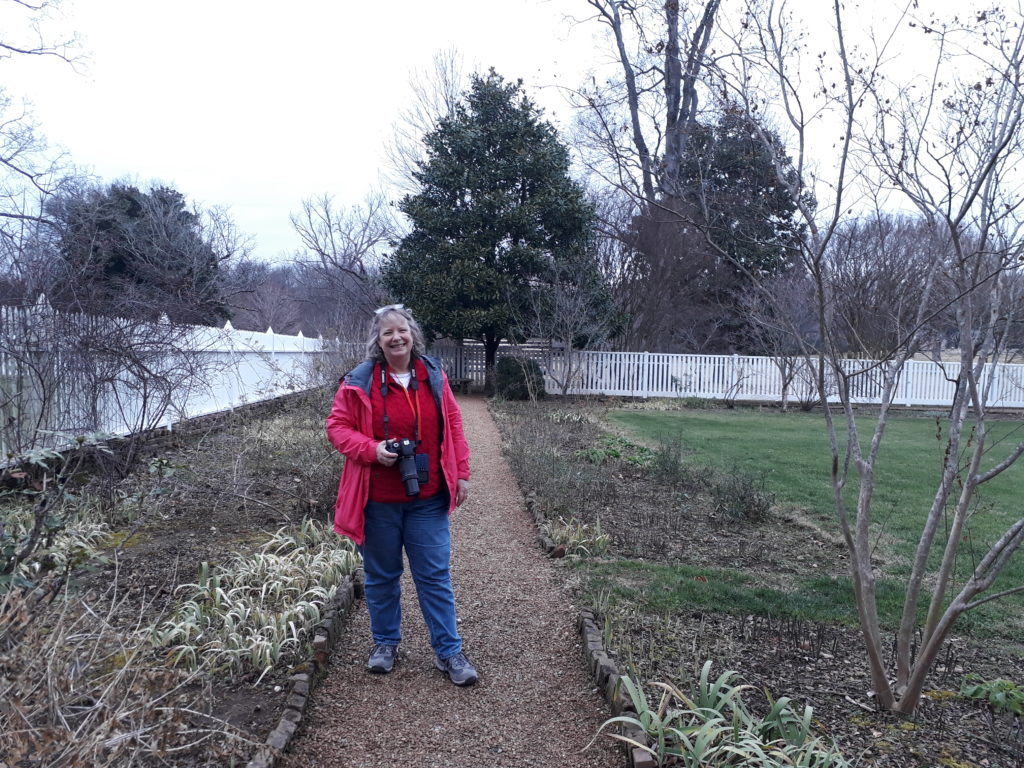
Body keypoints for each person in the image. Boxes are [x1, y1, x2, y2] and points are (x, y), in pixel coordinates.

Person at [325, 304, 477, 686]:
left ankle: (449, 651)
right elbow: (337, 427)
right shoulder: (360, 381)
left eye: (401, 330)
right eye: (387, 332)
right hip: (377, 499)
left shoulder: (433, 376)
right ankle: (385, 643)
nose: (396, 337)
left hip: (427, 497)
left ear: (413, 334)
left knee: (434, 576)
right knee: (381, 576)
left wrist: (461, 473)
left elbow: (454, 424)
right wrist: (373, 449)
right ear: (377, 341)